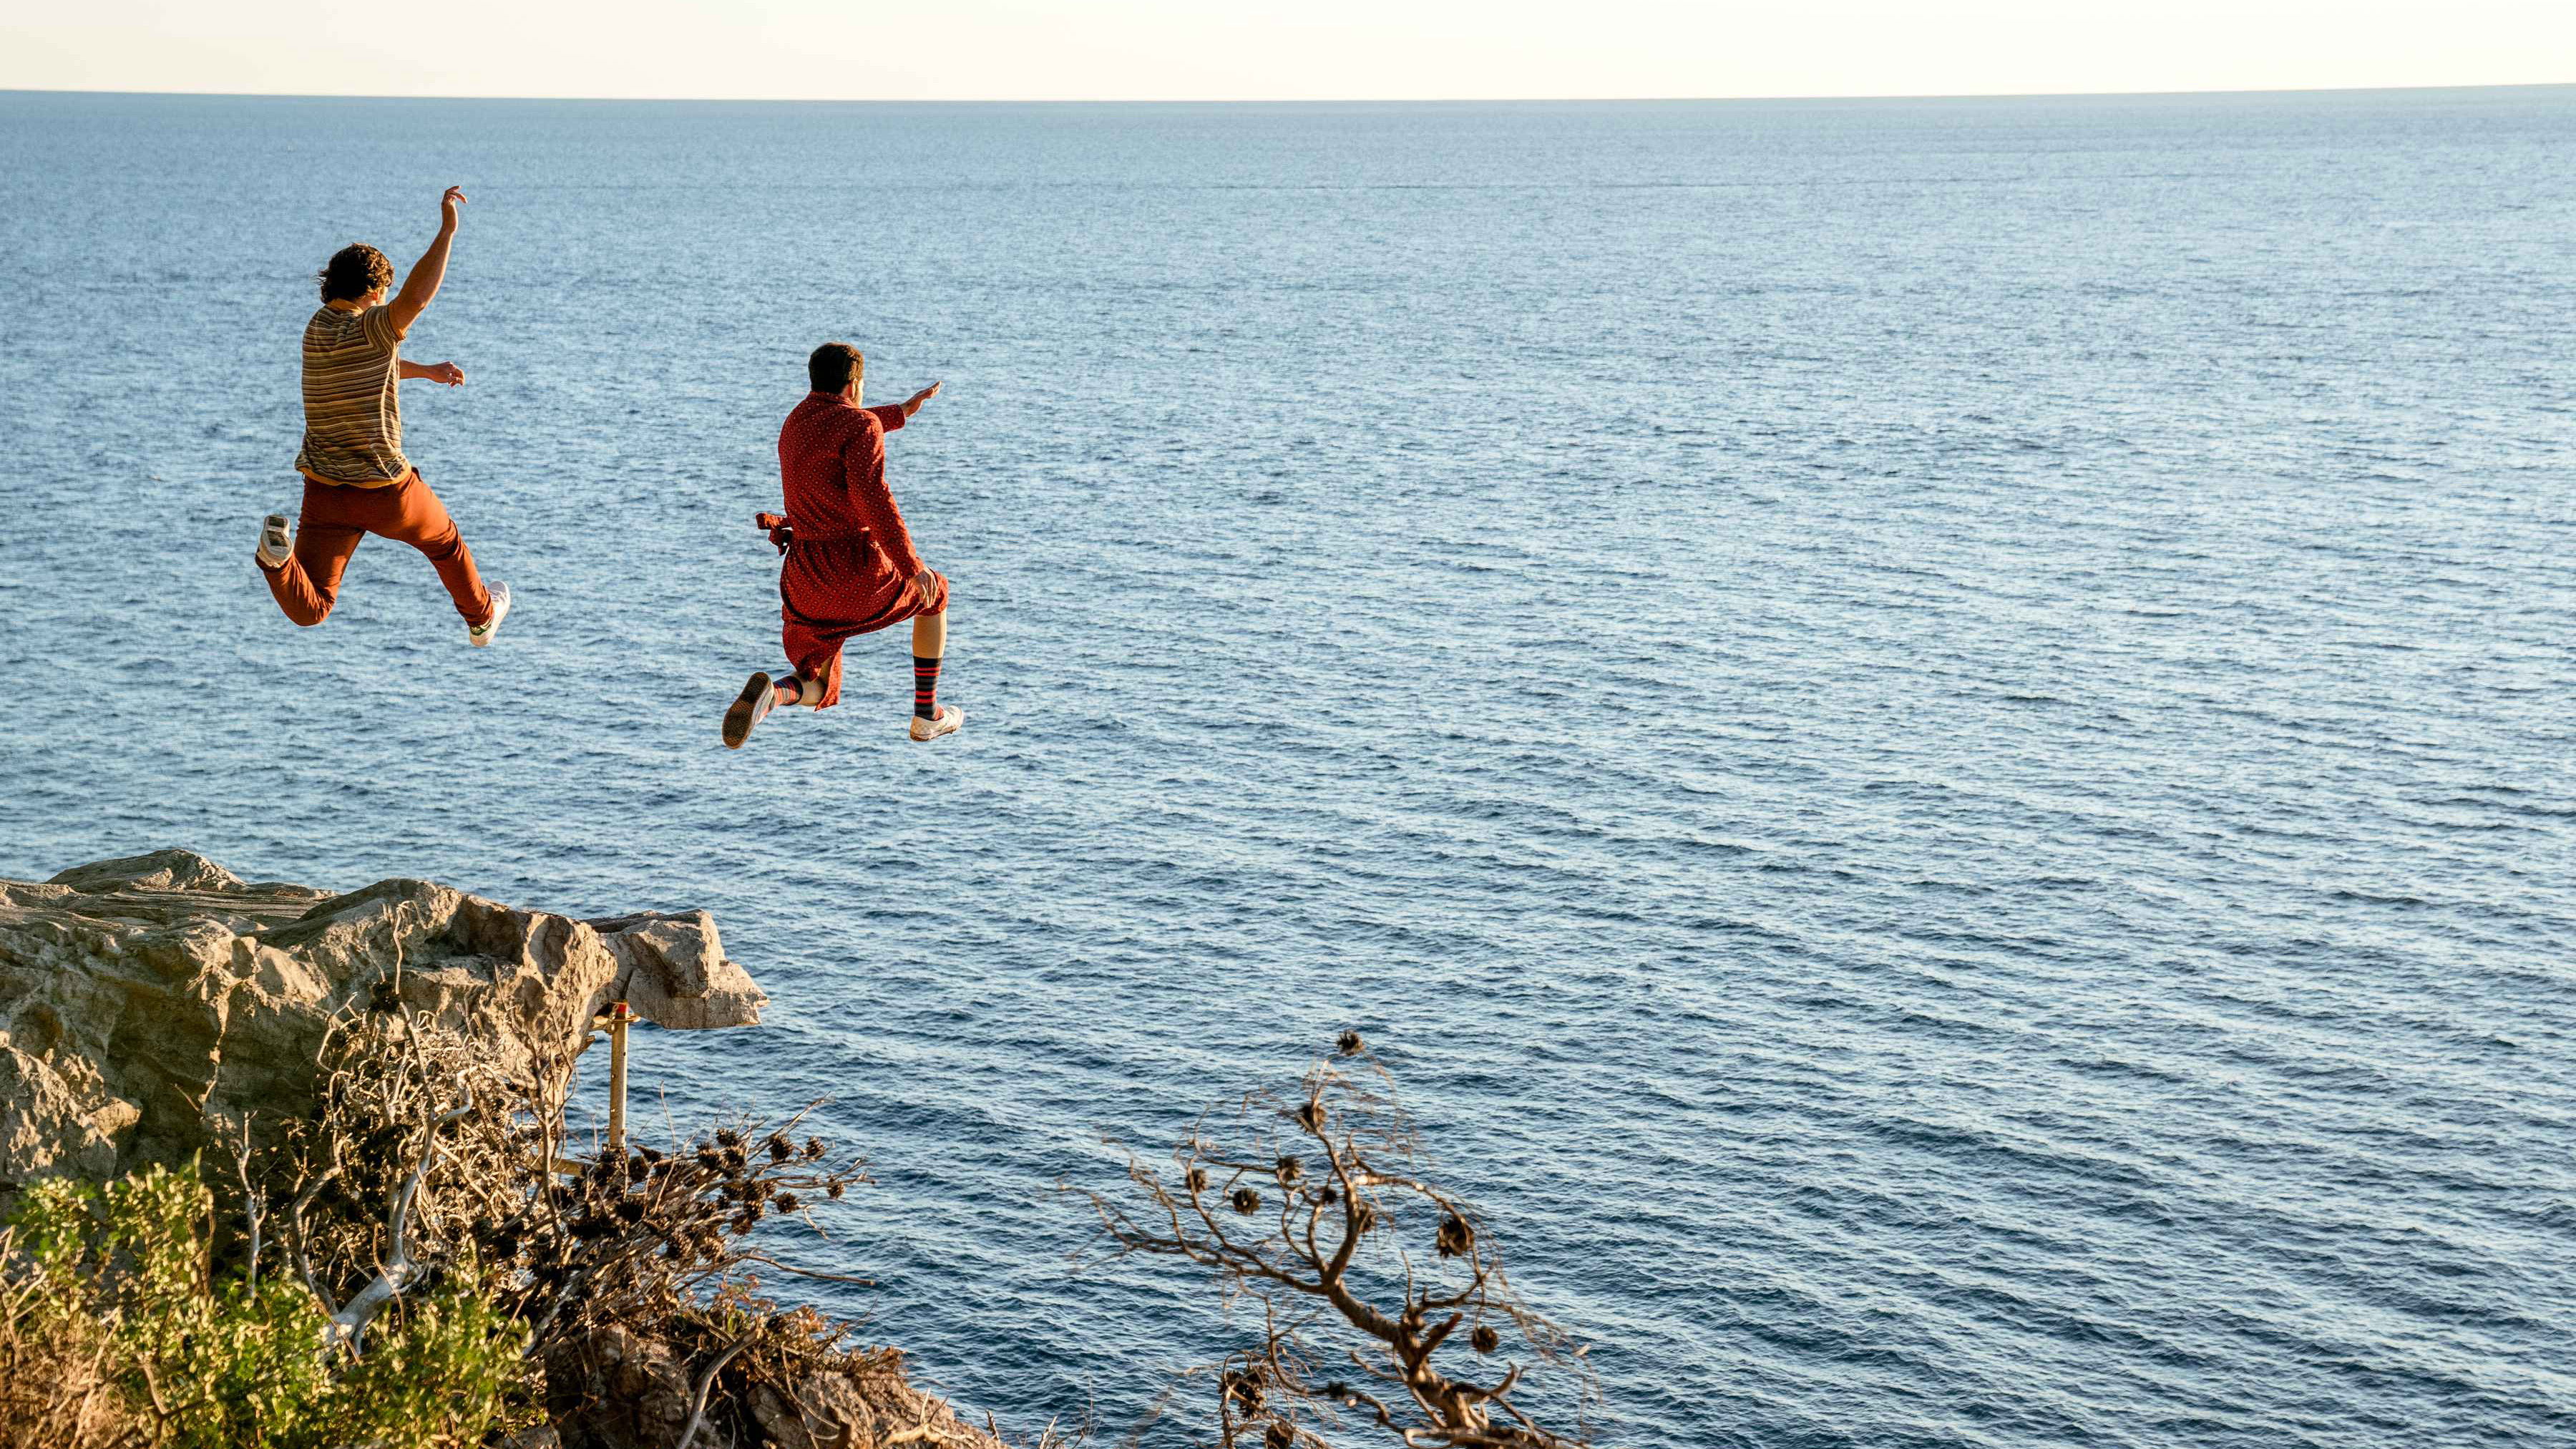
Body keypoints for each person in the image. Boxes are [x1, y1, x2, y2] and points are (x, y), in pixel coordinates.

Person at [254, 186, 512, 645]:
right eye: (384, 294)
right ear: (375, 292)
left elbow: (371, 362)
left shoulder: (316, 329)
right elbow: (417, 299)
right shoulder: (373, 326)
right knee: (446, 544)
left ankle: (276, 562)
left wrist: (426, 371)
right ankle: (481, 619)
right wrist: (447, 232)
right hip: (385, 492)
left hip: (326, 493)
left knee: (314, 608)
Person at [723, 342, 961, 748]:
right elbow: (875, 501)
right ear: (853, 386)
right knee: (934, 594)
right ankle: (927, 714)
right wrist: (911, 567)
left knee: (817, 681)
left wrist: (901, 412)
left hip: (805, 580)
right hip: (855, 572)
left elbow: (837, 429)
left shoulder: (796, 421)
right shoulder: (860, 425)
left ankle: (773, 696)